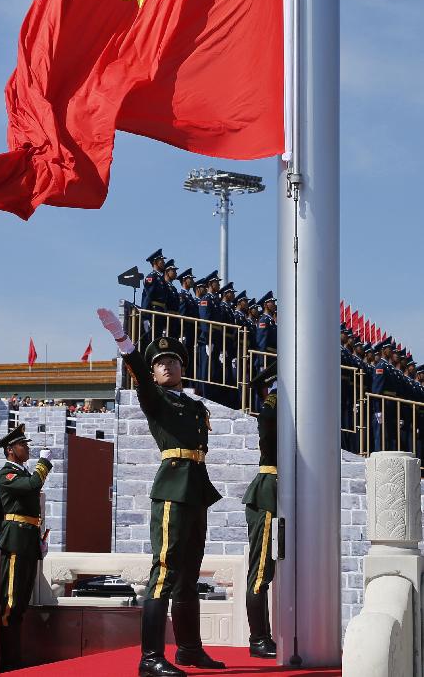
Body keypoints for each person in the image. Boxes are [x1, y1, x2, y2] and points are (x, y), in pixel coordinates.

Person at [98, 308, 225, 677]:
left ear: (182, 367)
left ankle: (189, 649)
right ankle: (150, 657)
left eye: (172, 360)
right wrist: (124, 341)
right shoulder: (154, 398)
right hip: (172, 488)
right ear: (152, 373)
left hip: (196, 488)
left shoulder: (194, 405)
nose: (167, 365)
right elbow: (138, 371)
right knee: (165, 570)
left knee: (189, 574)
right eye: (160, 363)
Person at [0, 423, 52, 672]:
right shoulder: (7, 474)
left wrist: (38, 539)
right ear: (11, 449)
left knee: (21, 603)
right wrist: (44, 464)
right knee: (10, 603)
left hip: (27, 540)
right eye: (22, 445)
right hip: (16, 542)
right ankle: (8, 662)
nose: (26, 448)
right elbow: (32, 486)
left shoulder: (22, 472)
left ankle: (15, 659)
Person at [242, 359, 278, 659]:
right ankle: (258, 639)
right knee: (261, 570)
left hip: (284, 490)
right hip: (269, 490)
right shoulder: (271, 409)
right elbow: (267, 410)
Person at [141, 249, 168, 342]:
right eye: (161, 260)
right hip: (154, 311)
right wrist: (145, 317)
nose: (164, 262)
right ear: (155, 262)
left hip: (160, 312)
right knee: (153, 339)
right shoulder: (151, 277)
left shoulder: (160, 278)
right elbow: (148, 296)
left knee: (159, 339)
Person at [163, 260, 181, 338]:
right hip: (167, 319)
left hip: (174, 320)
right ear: (167, 272)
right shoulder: (164, 285)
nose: (176, 273)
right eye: (173, 271)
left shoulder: (173, 288)